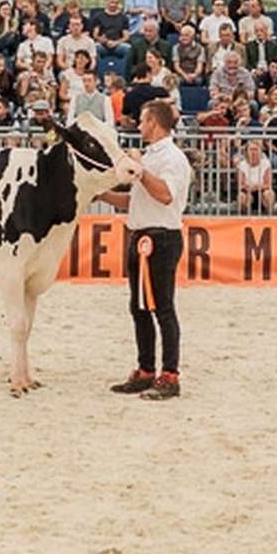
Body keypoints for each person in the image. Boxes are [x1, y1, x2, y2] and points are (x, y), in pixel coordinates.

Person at [109, 96, 191, 399]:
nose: (139, 125)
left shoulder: (172, 158)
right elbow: (136, 200)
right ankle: (145, 369)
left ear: (154, 123)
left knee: (163, 308)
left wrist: (141, 171)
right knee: (139, 307)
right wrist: (102, 195)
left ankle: (170, 374)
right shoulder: (150, 157)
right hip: (141, 234)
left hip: (162, 237)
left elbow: (165, 195)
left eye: (143, 121)